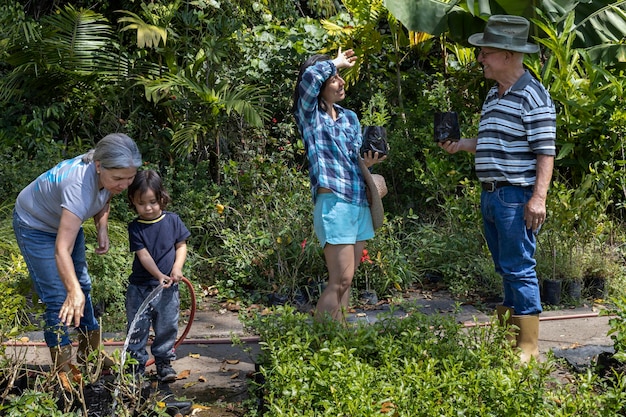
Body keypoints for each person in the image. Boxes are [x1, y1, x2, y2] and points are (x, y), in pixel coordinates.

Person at [439, 15, 556, 363]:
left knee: (519, 267)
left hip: (515, 196)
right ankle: (510, 342)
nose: (480, 59)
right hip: (491, 194)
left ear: (507, 54)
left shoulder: (533, 95)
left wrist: (538, 198)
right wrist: (461, 146)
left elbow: (545, 150)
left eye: (486, 53)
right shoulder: (495, 94)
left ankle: (528, 349)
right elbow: (494, 141)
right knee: (505, 268)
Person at [13, 133, 142, 374]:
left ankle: (89, 353)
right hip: (35, 226)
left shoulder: (110, 175)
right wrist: (72, 292)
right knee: (59, 296)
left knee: (83, 285)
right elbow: (61, 250)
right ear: (98, 166)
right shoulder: (78, 186)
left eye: (130, 177)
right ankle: (63, 371)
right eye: (118, 178)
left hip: (65, 221)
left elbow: (104, 198)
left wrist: (101, 227)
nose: (124, 185)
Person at [292, 48, 386, 322]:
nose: (341, 81)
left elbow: (352, 160)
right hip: (334, 202)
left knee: (348, 280)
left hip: (358, 202)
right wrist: (335, 62)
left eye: (339, 77)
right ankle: (319, 339)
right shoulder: (309, 114)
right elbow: (307, 78)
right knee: (340, 279)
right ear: (321, 86)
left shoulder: (349, 118)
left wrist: (369, 163)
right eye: (334, 78)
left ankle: (339, 337)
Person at [126, 170, 190, 382]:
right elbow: (143, 256)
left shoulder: (172, 220)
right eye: (141, 203)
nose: (148, 208)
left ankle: (163, 363)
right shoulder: (135, 228)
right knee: (137, 327)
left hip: (168, 288)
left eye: (152, 202)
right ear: (133, 202)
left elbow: (181, 246)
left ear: (162, 198)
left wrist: (176, 268)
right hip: (141, 288)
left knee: (166, 326)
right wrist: (158, 275)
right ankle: (135, 367)